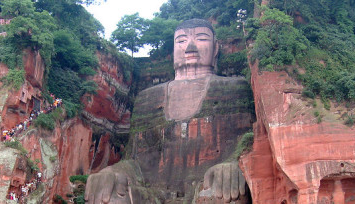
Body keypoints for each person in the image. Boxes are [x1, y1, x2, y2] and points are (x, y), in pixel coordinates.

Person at [85, 19, 253, 204]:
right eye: (181, 41)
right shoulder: (147, 97)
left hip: (204, 188)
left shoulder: (234, 88)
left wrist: (231, 165)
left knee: (224, 195)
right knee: (110, 197)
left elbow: (246, 146)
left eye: (201, 39)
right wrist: (113, 172)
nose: (189, 47)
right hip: (151, 194)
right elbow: (134, 160)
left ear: (215, 48)